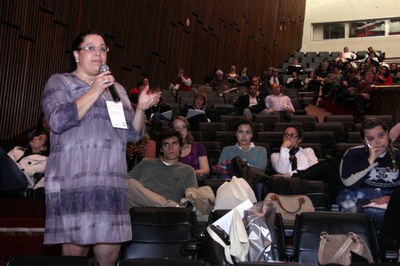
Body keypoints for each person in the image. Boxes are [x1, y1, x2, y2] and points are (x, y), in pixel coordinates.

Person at [41, 31, 160, 266]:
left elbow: (133, 134)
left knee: (110, 251)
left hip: (110, 181)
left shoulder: (117, 90)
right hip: (74, 179)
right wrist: (94, 90)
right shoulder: (61, 82)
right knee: (75, 249)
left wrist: (141, 109)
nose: (99, 53)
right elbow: (57, 120)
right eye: (91, 48)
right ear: (76, 54)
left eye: (103, 48)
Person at [337, 117, 400, 231]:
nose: (377, 141)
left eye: (381, 135)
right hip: (359, 199)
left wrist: (391, 198)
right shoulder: (353, 154)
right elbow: (348, 182)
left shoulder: (398, 155)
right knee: (346, 198)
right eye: (370, 138)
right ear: (364, 141)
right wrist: (370, 160)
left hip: (391, 201)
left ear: (387, 135)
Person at [127, 127, 198, 204]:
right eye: (166, 144)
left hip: (168, 213)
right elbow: (125, 182)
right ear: (161, 149)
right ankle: (165, 204)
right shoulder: (146, 163)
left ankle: (166, 205)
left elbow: (193, 197)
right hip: (141, 208)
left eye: (174, 143)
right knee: (128, 183)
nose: (171, 148)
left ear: (180, 147)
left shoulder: (187, 170)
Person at [172, 116, 210, 182]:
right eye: (177, 128)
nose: (181, 130)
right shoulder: (169, 148)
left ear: (187, 130)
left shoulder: (198, 147)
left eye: (183, 127)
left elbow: (206, 170)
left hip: (195, 182)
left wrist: (188, 173)